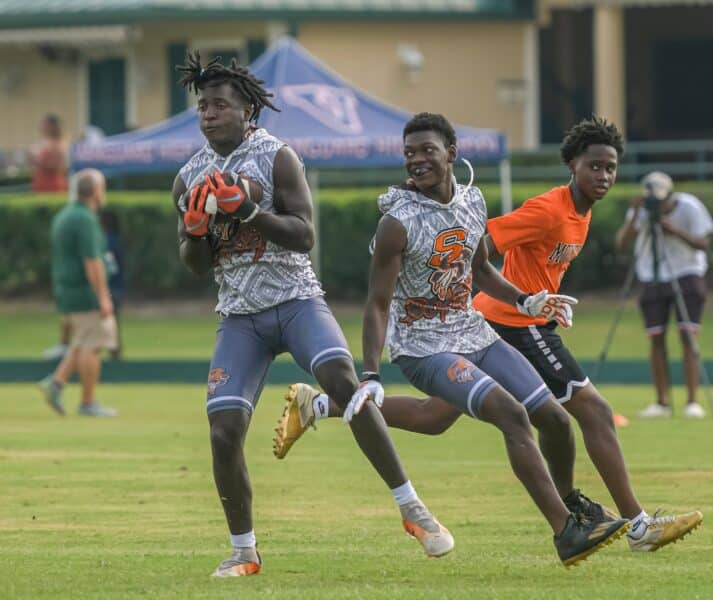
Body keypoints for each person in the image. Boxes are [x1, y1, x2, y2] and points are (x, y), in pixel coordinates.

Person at [276, 115, 703, 553]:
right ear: (573, 166)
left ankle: (325, 403)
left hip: (477, 331)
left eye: (428, 151)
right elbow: (378, 304)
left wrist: (528, 300)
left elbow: (480, 267)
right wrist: (370, 373)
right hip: (427, 346)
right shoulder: (397, 222)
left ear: (451, 155)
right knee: (529, 414)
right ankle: (575, 528)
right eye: (410, 153)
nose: (418, 160)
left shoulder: (472, 202)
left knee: (519, 419)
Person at [173, 54, 450, 577]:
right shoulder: (188, 176)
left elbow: (304, 234)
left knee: (346, 383)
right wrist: (193, 232)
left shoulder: (277, 158)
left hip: (296, 301)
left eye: (220, 105)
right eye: (202, 107)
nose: (208, 115)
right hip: (240, 317)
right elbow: (193, 266)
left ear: (247, 109)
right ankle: (244, 551)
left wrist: (248, 211)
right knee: (222, 429)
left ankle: (414, 509)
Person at [616, 171, 713, 419]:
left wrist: (674, 231)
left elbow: (703, 244)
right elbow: (622, 244)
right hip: (652, 275)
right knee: (656, 338)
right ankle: (662, 403)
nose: (657, 206)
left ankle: (692, 402)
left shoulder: (689, 206)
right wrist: (637, 214)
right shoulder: (642, 210)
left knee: (688, 335)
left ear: (670, 195)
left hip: (687, 272)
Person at [38, 169, 118, 417]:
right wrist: (104, 296)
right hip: (84, 292)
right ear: (95, 192)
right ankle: (87, 402)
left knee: (82, 340)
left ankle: (56, 383)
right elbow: (92, 261)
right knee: (92, 346)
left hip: (67, 289)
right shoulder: (84, 219)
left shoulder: (66, 215)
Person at [100, 209, 126, 360]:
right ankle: (114, 349)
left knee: (108, 320)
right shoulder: (116, 239)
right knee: (113, 319)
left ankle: (113, 350)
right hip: (118, 286)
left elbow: (110, 266)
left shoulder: (107, 241)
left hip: (110, 286)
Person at [29, 114, 68, 193]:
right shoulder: (42, 142)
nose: (41, 126)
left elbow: (58, 165)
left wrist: (38, 161)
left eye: (45, 124)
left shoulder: (59, 144)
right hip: (40, 183)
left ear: (52, 126)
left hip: (53, 185)